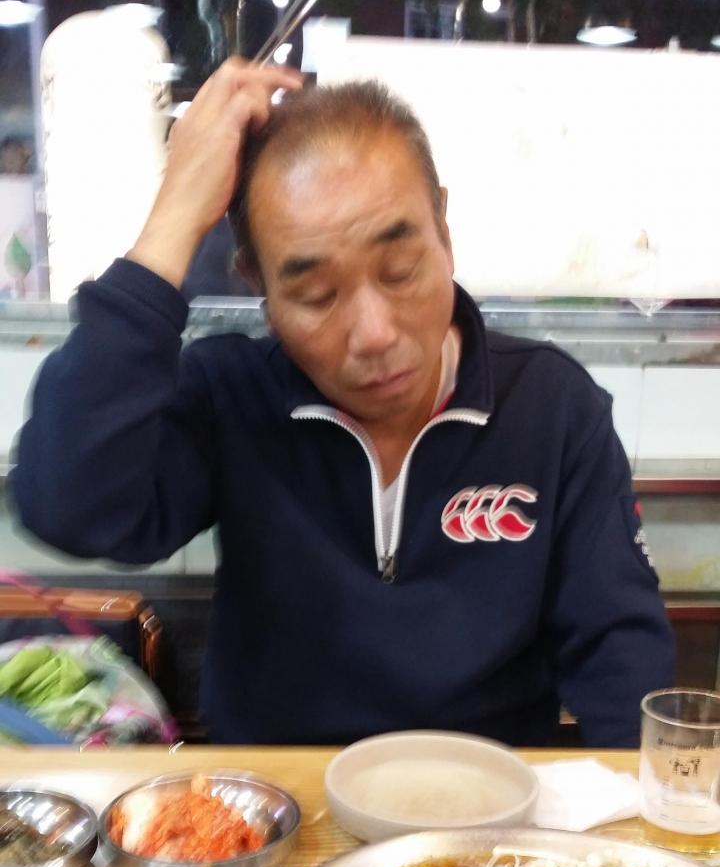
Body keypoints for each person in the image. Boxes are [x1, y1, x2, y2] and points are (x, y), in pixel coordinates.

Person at [12, 60, 674, 746]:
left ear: (444, 230)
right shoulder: (230, 395)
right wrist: (174, 217)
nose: (374, 334)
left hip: (487, 797)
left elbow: (621, 654)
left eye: (401, 271)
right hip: (280, 796)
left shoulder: (553, 408)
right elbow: (67, 507)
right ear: (258, 285)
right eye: (316, 295)